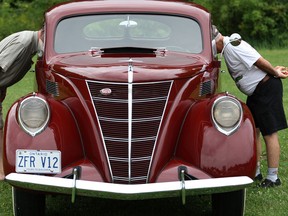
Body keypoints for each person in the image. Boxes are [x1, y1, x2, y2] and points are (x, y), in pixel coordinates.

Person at [213, 25, 288, 188]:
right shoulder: (227, 49)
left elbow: (258, 61)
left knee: (270, 133)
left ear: (216, 40)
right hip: (255, 93)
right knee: (253, 130)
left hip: (266, 88)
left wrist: (274, 73)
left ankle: (273, 178)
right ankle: (256, 171)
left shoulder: (234, 46)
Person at [0, 29, 44, 180]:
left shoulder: (30, 44)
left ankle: (2, 171)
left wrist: (3, 87)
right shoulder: (23, 43)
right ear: (44, 34)